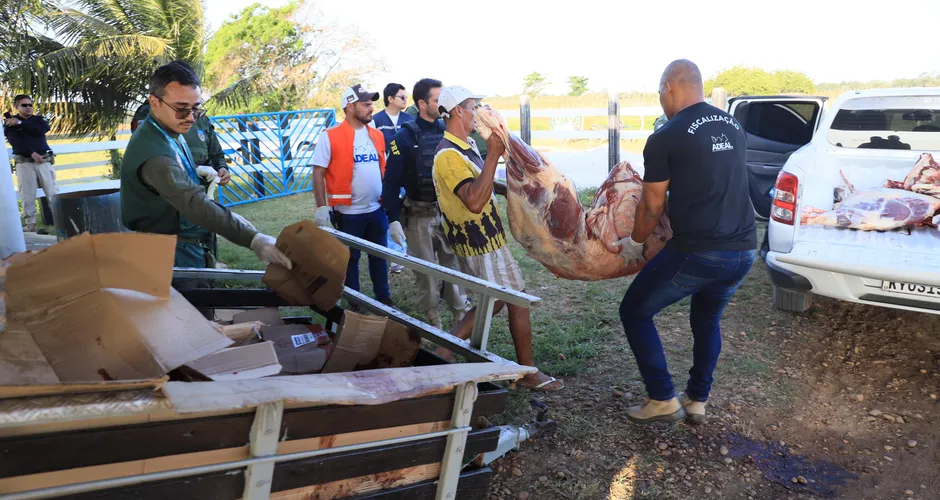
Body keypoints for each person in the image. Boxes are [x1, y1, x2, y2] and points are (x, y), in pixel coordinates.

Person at [615, 59, 757, 425]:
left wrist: (635, 242)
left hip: (700, 252)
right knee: (707, 319)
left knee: (634, 310)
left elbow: (652, 203)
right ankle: (697, 400)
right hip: (742, 251)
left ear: (668, 88)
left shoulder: (666, 136)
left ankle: (662, 397)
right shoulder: (733, 124)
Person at [119, 61, 291, 319]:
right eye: (181, 109)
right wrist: (252, 239)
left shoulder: (168, 132)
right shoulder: (154, 153)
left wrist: (195, 171)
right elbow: (193, 203)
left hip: (185, 245)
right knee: (190, 329)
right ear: (154, 102)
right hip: (169, 253)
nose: (190, 117)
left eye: (195, 108)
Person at [432, 85, 563, 392]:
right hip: (480, 242)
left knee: (499, 301)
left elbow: (482, 182)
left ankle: (441, 355)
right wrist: (493, 154)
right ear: (457, 111)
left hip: (486, 238)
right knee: (512, 300)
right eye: (473, 106)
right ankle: (527, 372)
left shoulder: (465, 146)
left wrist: (510, 187)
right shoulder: (447, 156)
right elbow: (474, 201)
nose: (479, 112)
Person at [382, 78, 471, 329]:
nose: (442, 104)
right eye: (436, 99)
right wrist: (393, 220)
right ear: (422, 103)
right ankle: (435, 324)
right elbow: (390, 182)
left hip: (448, 214)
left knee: (454, 270)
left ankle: (459, 319)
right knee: (426, 275)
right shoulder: (403, 137)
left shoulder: (450, 131)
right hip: (418, 216)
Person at [312, 84, 394, 307]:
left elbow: (382, 168)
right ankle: (354, 300)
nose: (371, 108)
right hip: (348, 213)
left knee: (379, 256)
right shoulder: (330, 137)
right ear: (349, 106)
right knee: (350, 259)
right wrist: (321, 208)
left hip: (376, 210)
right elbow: (318, 172)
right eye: (366, 104)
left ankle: (383, 296)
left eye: (371, 104)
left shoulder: (376, 135)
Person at [131, 101, 233, 261]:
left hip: (202, 205)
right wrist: (194, 170)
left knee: (205, 255)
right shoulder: (149, 114)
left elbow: (216, 154)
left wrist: (222, 168)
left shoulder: (201, 118)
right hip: (168, 209)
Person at [4, 94, 57, 232]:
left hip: (43, 161)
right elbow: (15, 141)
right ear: (16, 107)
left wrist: (21, 123)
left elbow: (40, 130)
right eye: (24, 105)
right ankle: (30, 223)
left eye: (30, 105)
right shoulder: (10, 122)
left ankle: (60, 219)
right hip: (25, 162)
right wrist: (32, 153)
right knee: (27, 194)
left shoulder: (39, 120)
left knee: (52, 192)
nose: (28, 108)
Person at [370, 83, 414, 153]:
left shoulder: (410, 119)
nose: (405, 100)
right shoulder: (375, 120)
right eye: (402, 97)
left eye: (406, 97)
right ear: (390, 99)